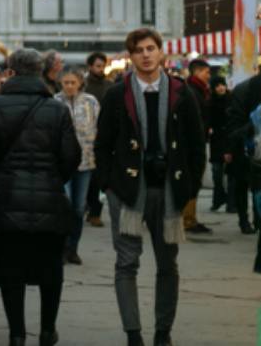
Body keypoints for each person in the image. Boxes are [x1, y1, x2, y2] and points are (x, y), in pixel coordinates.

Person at [95, 28, 205, 346]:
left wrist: (191, 188)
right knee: (126, 263)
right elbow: (102, 145)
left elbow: (197, 145)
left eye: (150, 48)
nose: (145, 54)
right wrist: (108, 186)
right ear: (131, 57)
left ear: (161, 53)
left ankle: (162, 331)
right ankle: (133, 333)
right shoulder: (118, 94)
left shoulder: (181, 93)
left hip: (169, 190)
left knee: (167, 264)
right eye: (139, 50)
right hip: (128, 193)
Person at [0, 48, 80, 346]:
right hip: (50, 200)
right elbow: (71, 156)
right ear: (40, 72)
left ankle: (17, 334)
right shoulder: (57, 109)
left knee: (11, 271)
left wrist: (0, 180)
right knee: (51, 269)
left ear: (10, 72)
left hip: (7, 201)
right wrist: (52, 179)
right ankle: (48, 330)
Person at [54, 66, 100, 265]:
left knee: (79, 208)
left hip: (86, 162)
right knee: (64, 204)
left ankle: (73, 247)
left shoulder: (91, 102)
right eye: (66, 83)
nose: (70, 86)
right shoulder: (54, 102)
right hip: (61, 164)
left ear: (80, 83)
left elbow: (99, 127)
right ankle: (61, 247)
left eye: (73, 82)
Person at [226, 72, 261, 273]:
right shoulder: (246, 89)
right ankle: (245, 220)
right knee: (244, 187)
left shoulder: (243, 88)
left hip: (248, 150)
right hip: (247, 150)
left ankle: (251, 221)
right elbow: (235, 122)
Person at [181, 59, 213, 235]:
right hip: (192, 144)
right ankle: (188, 219)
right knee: (192, 180)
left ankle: (190, 217)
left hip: (197, 141)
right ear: (197, 72)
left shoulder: (200, 90)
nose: (209, 76)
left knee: (194, 180)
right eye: (207, 72)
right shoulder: (192, 91)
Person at [84, 52, 111, 226]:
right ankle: (90, 208)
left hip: (104, 135)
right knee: (89, 176)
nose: (100, 69)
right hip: (86, 136)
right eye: (97, 66)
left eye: (102, 66)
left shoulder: (109, 85)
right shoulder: (84, 86)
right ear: (90, 66)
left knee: (100, 175)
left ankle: (95, 211)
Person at [207, 75, 231, 212]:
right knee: (216, 172)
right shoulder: (210, 102)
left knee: (231, 174)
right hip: (216, 140)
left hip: (229, 139)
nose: (221, 88)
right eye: (217, 86)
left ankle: (231, 202)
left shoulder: (232, 100)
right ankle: (218, 198)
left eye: (222, 84)